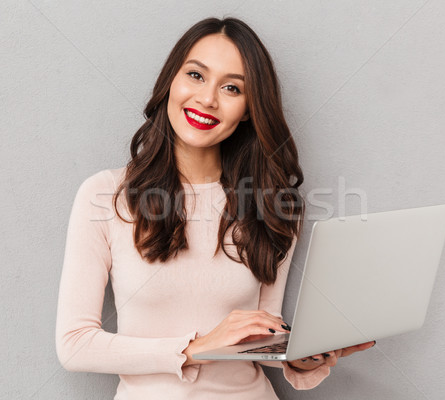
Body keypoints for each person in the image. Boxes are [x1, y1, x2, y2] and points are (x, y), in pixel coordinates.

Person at [55, 17, 374, 399]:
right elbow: (74, 344)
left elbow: (260, 339)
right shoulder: (105, 194)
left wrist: (303, 355)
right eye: (195, 75)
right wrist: (195, 348)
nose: (208, 99)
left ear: (249, 110)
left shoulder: (274, 204)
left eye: (231, 87)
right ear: (170, 82)